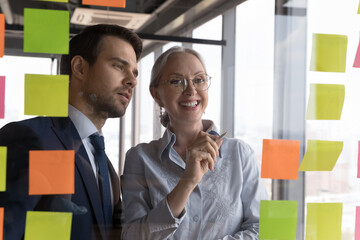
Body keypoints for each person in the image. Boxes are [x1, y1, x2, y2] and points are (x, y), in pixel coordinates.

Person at [0, 24, 142, 240]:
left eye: (134, 72)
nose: (132, 80)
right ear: (80, 68)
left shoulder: (108, 169)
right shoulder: (25, 138)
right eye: (118, 66)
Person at [121, 46, 268, 239]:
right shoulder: (140, 158)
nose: (191, 90)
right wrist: (187, 182)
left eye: (199, 80)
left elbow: (265, 228)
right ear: (156, 95)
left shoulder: (240, 154)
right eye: (176, 81)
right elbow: (132, 236)